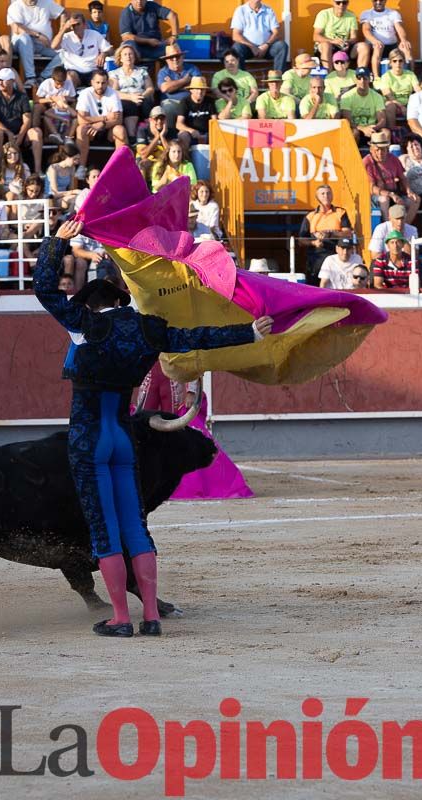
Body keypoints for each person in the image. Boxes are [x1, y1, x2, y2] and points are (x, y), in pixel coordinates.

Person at [34, 218, 271, 637]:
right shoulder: (148, 329)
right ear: (122, 300)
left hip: (89, 438)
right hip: (123, 438)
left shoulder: (86, 325)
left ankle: (120, 618)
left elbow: (44, 289)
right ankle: (151, 616)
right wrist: (248, 333)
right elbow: (197, 337)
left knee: (104, 526)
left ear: (93, 304)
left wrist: (57, 243)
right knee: (135, 524)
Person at [135, 364, 253, 500]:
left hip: (176, 378)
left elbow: (192, 357)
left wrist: (192, 390)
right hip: (151, 378)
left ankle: (176, 483)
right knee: (143, 427)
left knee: (178, 430)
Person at [0, 67, 42, 173]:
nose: (0, 83)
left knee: (36, 132)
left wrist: (20, 137)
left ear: (12, 81)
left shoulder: (22, 97)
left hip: (21, 133)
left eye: (3, 80)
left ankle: (38, 171)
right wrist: (8, 133)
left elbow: (27, 120)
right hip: (4, 134)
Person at [363, 130, 416, 224]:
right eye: (377, 150)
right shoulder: (367, 162)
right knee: (384, 199)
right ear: (371, 149)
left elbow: (402, 178)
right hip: (376, 196)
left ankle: (403, 226)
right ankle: (388, 226)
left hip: (395, 192)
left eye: (383, 149)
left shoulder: (393, 159)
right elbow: (371, 188)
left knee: (415, 199)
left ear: (387, 149)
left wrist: (409, 191)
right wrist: (390, 194)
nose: (380, 153)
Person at [76, 69, 126, 167]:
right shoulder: (85, 94)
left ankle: (120, 167)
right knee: (81, 129)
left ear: (107, 83)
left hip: (108, 129)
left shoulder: (113, 94)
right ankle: (81, 167)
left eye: (103, 83)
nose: (100, 86)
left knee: (120, 130)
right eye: (97, 82)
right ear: (92, 82)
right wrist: (105, 118)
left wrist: (102, 124)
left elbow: (118, 120)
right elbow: (81, 120)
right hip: (91, 130)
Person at [8, 0, 64, 85]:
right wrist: (38, 35)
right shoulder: (15, 6)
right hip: (22, 44)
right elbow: (17, 28)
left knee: (65, 53)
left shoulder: (47, 2)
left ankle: (43, 77)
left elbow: (63, 13)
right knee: (25, 38)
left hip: (43, 45)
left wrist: (61, 32)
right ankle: (30, 77)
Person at [300, 183, 354, 268]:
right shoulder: (310, 216)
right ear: (317, 197)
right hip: (316, 258)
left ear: (332, 196)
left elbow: (348, 233)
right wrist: (314, 243)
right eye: (323, 194)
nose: (326, 196)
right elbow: (301, 240)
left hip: (337, 257)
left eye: (328, 193)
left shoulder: (340, 212)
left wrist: (330, 234)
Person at [231, 0, 288, 73]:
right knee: (236, 48)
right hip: (248, 48)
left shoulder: (268, 10)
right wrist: (252, 47)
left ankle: (278, 76)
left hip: (267, 48)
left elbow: (276, 33)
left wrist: (266, 45)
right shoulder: (241, 10)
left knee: (282, 46)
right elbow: (236, 35)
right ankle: (241, 77)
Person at [361, 0, 412, 77]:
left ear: (385, 1)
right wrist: (375, 41)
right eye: (375, 0)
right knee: (378, 47)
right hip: (374, 46)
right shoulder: (366, 13)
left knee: (406, 47)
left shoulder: (393, 13)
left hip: (392, 46)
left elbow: (399, 28)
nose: (378, 2)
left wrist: (403, 40)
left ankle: (411, 76)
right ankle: (376, 77)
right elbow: (366, 30)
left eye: (381, 0)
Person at [314, 0, 367, 68]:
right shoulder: (324, 14)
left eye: (344, 2)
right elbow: (316, 36)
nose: (341, 5)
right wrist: (333, 41)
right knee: (326, 45)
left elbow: (354, 38)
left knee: (364, 46)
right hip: (327, 45)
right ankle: (328, 73)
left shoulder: (351, 15)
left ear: (348, 3)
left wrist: (348, 42)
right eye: (338, 2)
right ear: (333, 2)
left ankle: (361, 72)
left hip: (343, 45)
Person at [339, 68, 386, 142]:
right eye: (359, 78)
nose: (362, 81)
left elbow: (382, 119)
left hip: (372, 128)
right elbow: (347, 120)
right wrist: (363, 129)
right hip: (356, 128)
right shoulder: (346, 97)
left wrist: (374, 128)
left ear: (369, 79)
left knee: (386, 133)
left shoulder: (377, 97)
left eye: (365, 78)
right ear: (355, 80)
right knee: (354, 133)